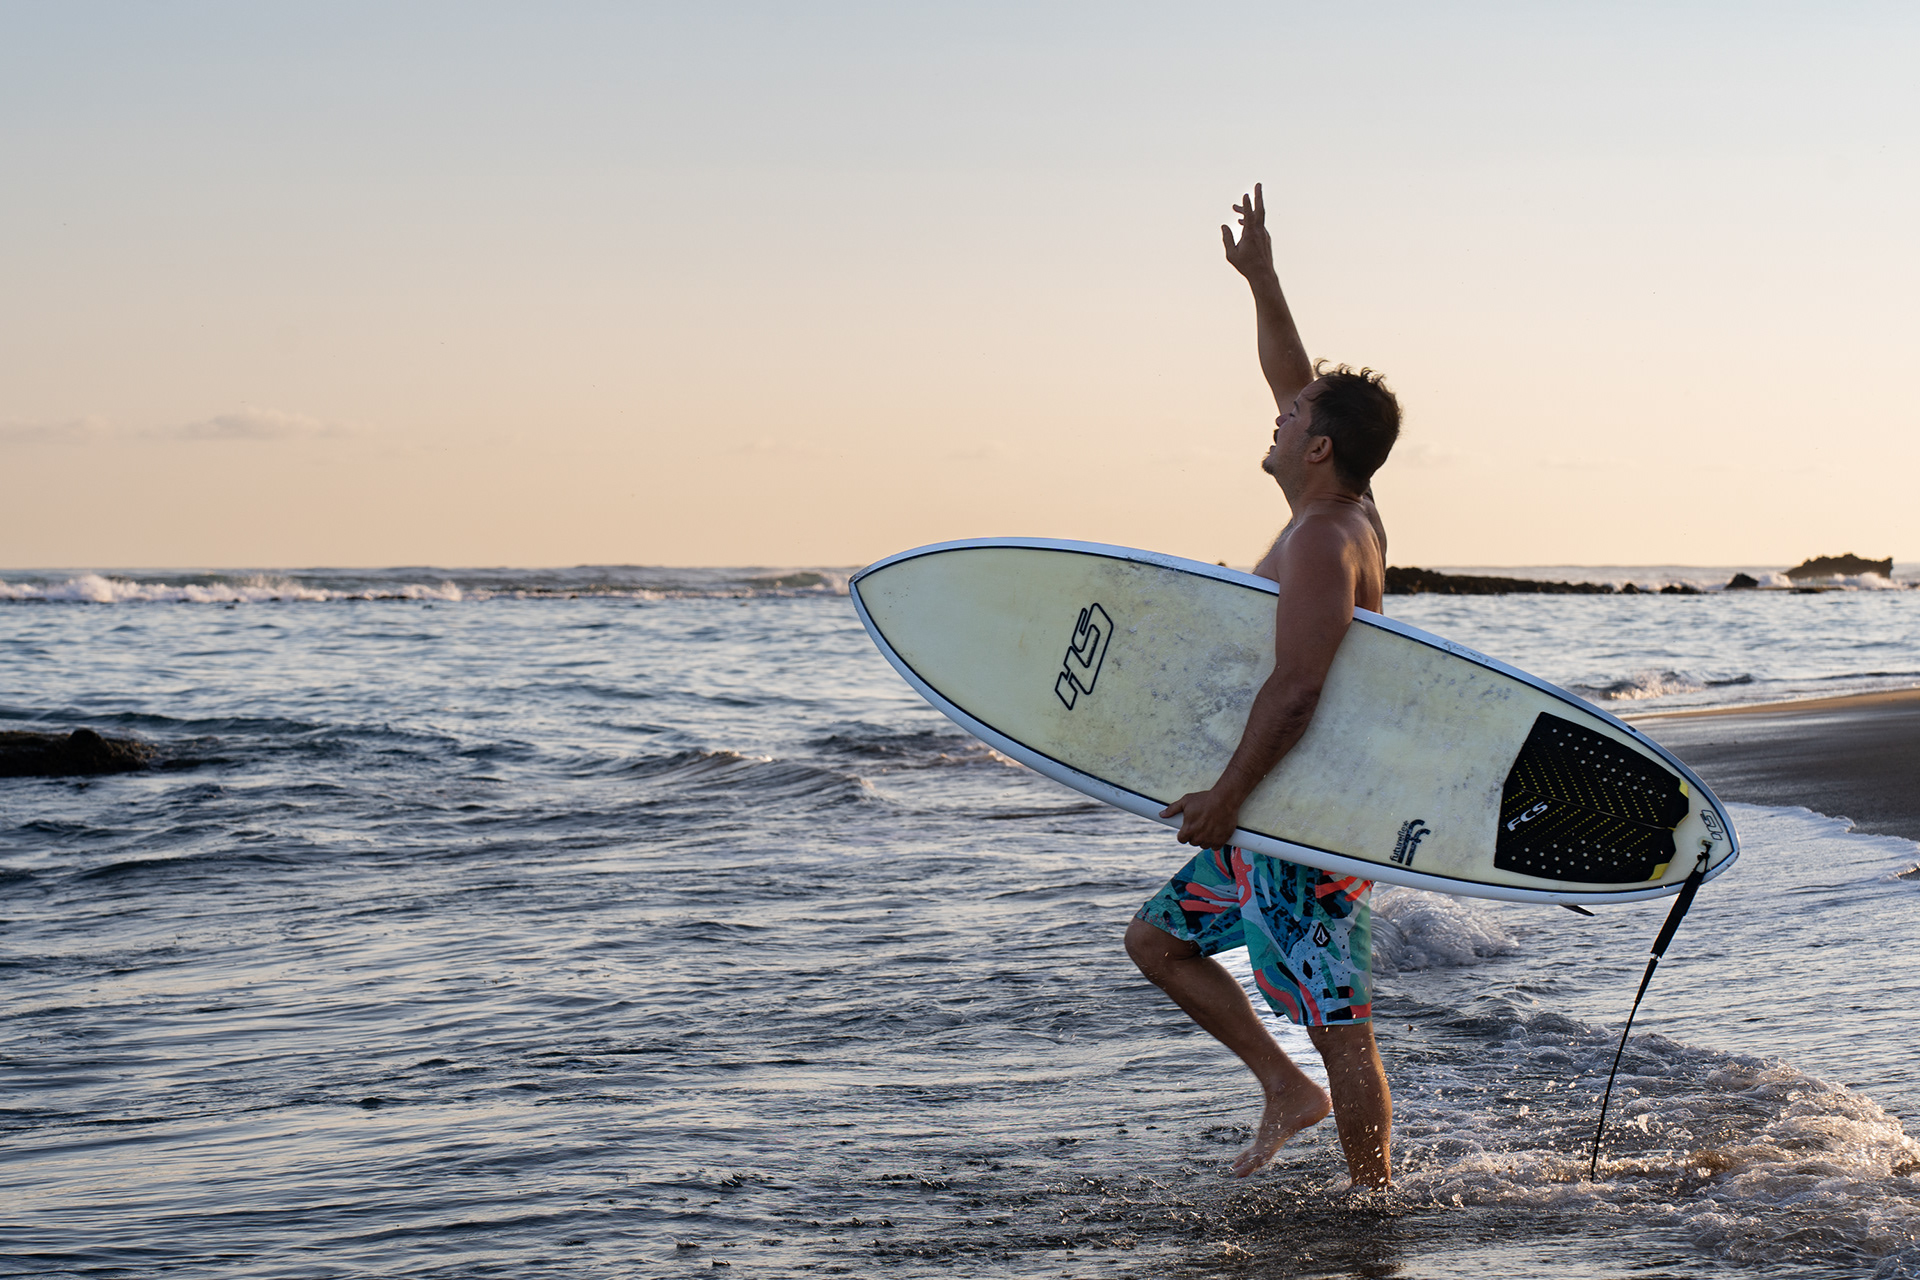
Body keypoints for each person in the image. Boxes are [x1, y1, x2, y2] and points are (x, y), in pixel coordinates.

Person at [1123, 183, 1402, 1188]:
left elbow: (1295, 690)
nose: (1277, 421)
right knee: (1157, 940)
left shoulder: (1327, 536)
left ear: (1318, 447)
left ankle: (1375, 1212)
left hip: (1298, 817)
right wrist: (1263, 277)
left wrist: (1228, 799)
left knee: (1343, 1022)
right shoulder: (1338, 503)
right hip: (1268, 815)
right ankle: (1287, 1090)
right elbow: (1297, 375)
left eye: (1292, 420)